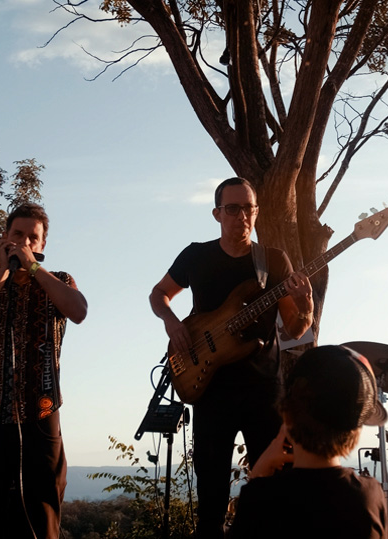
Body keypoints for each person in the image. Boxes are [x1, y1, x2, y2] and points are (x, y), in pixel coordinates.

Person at [149, 177, 313, 538]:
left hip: (263, 390)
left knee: (272, 490)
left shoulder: (272, 261)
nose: (242, 215)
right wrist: (172, 322)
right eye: (233, 208)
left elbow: (297, 329)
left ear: (256, 212)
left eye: (248, 208)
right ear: (217, 213)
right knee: (210, 498)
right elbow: (159, 293)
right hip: (210, 387)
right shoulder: (196, 256)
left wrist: (307, 304)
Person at [0, 202, 87, 539]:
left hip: (41, 418)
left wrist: (34, 270)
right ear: (4, 237)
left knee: (41, 520)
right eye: (18, 234)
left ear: (42, 246)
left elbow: (79, 310)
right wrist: (3, 273)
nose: (25, 242)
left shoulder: (59, 281)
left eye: (33, 237)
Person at [227, 345, 388, 538]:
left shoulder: (260, 499)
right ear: (355, 430)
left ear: (287, 416)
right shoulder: (370, 496)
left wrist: (259, 472)